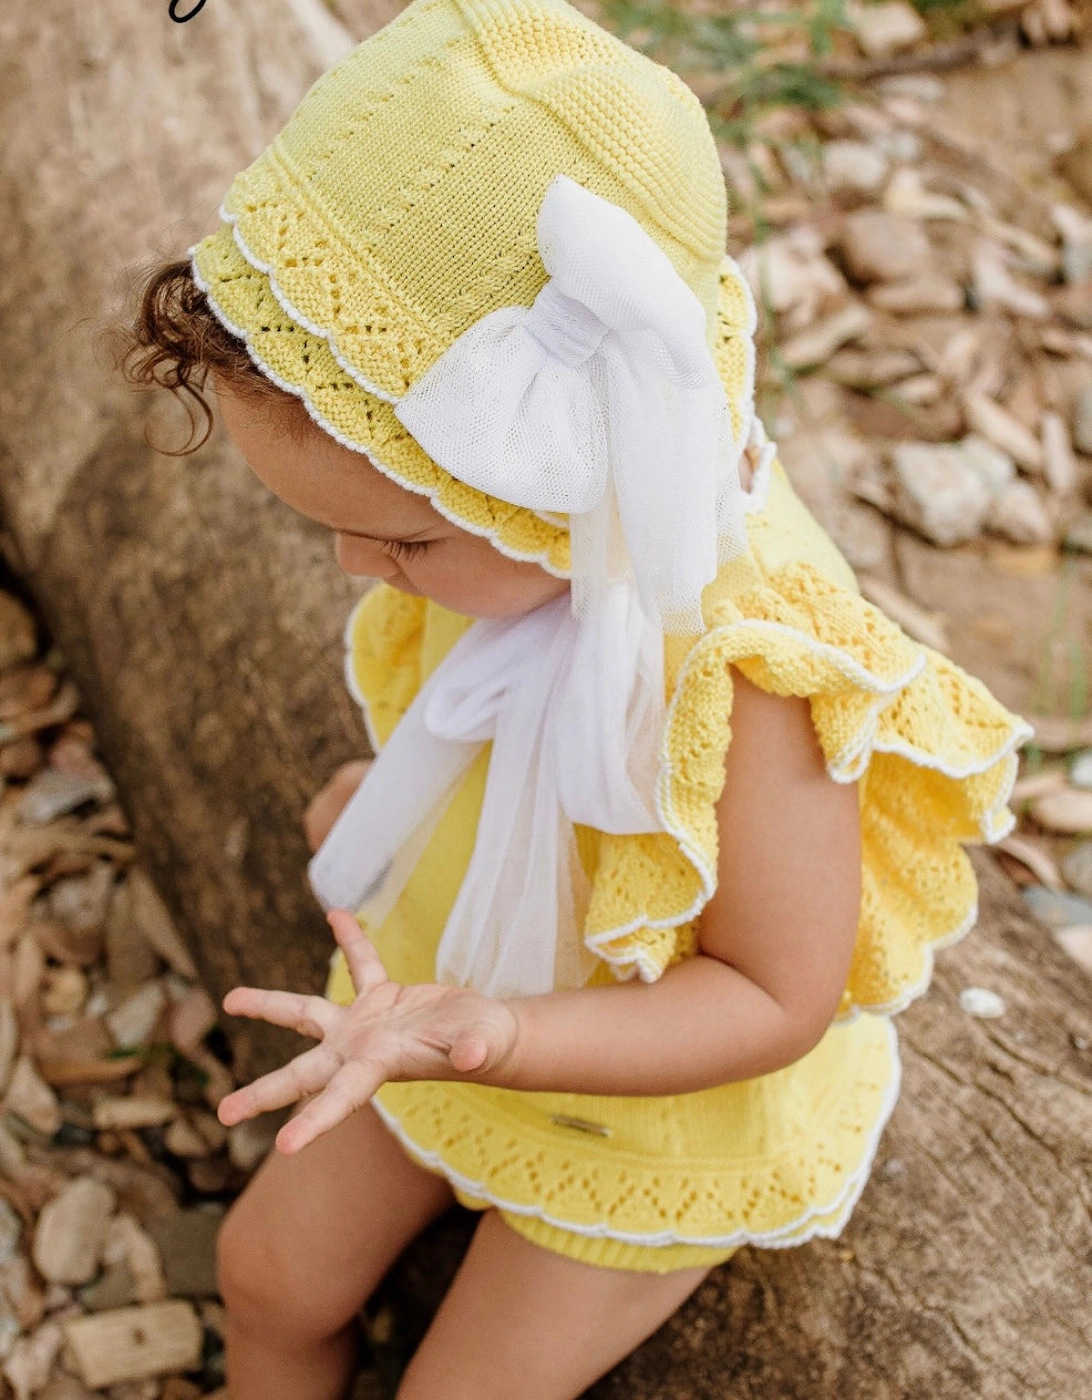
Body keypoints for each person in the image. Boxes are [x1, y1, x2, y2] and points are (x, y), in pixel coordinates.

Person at [118, 2, 1031, 1397]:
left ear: (560, 487)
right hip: (443, 995)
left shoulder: (749, 671)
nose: (363, 571)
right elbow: (500, 711)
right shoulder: (531, 556)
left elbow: (777, 992)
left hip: (652, 1096)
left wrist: (511, 1038)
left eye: (402, 541)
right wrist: (406, 823)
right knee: (267, 1276)